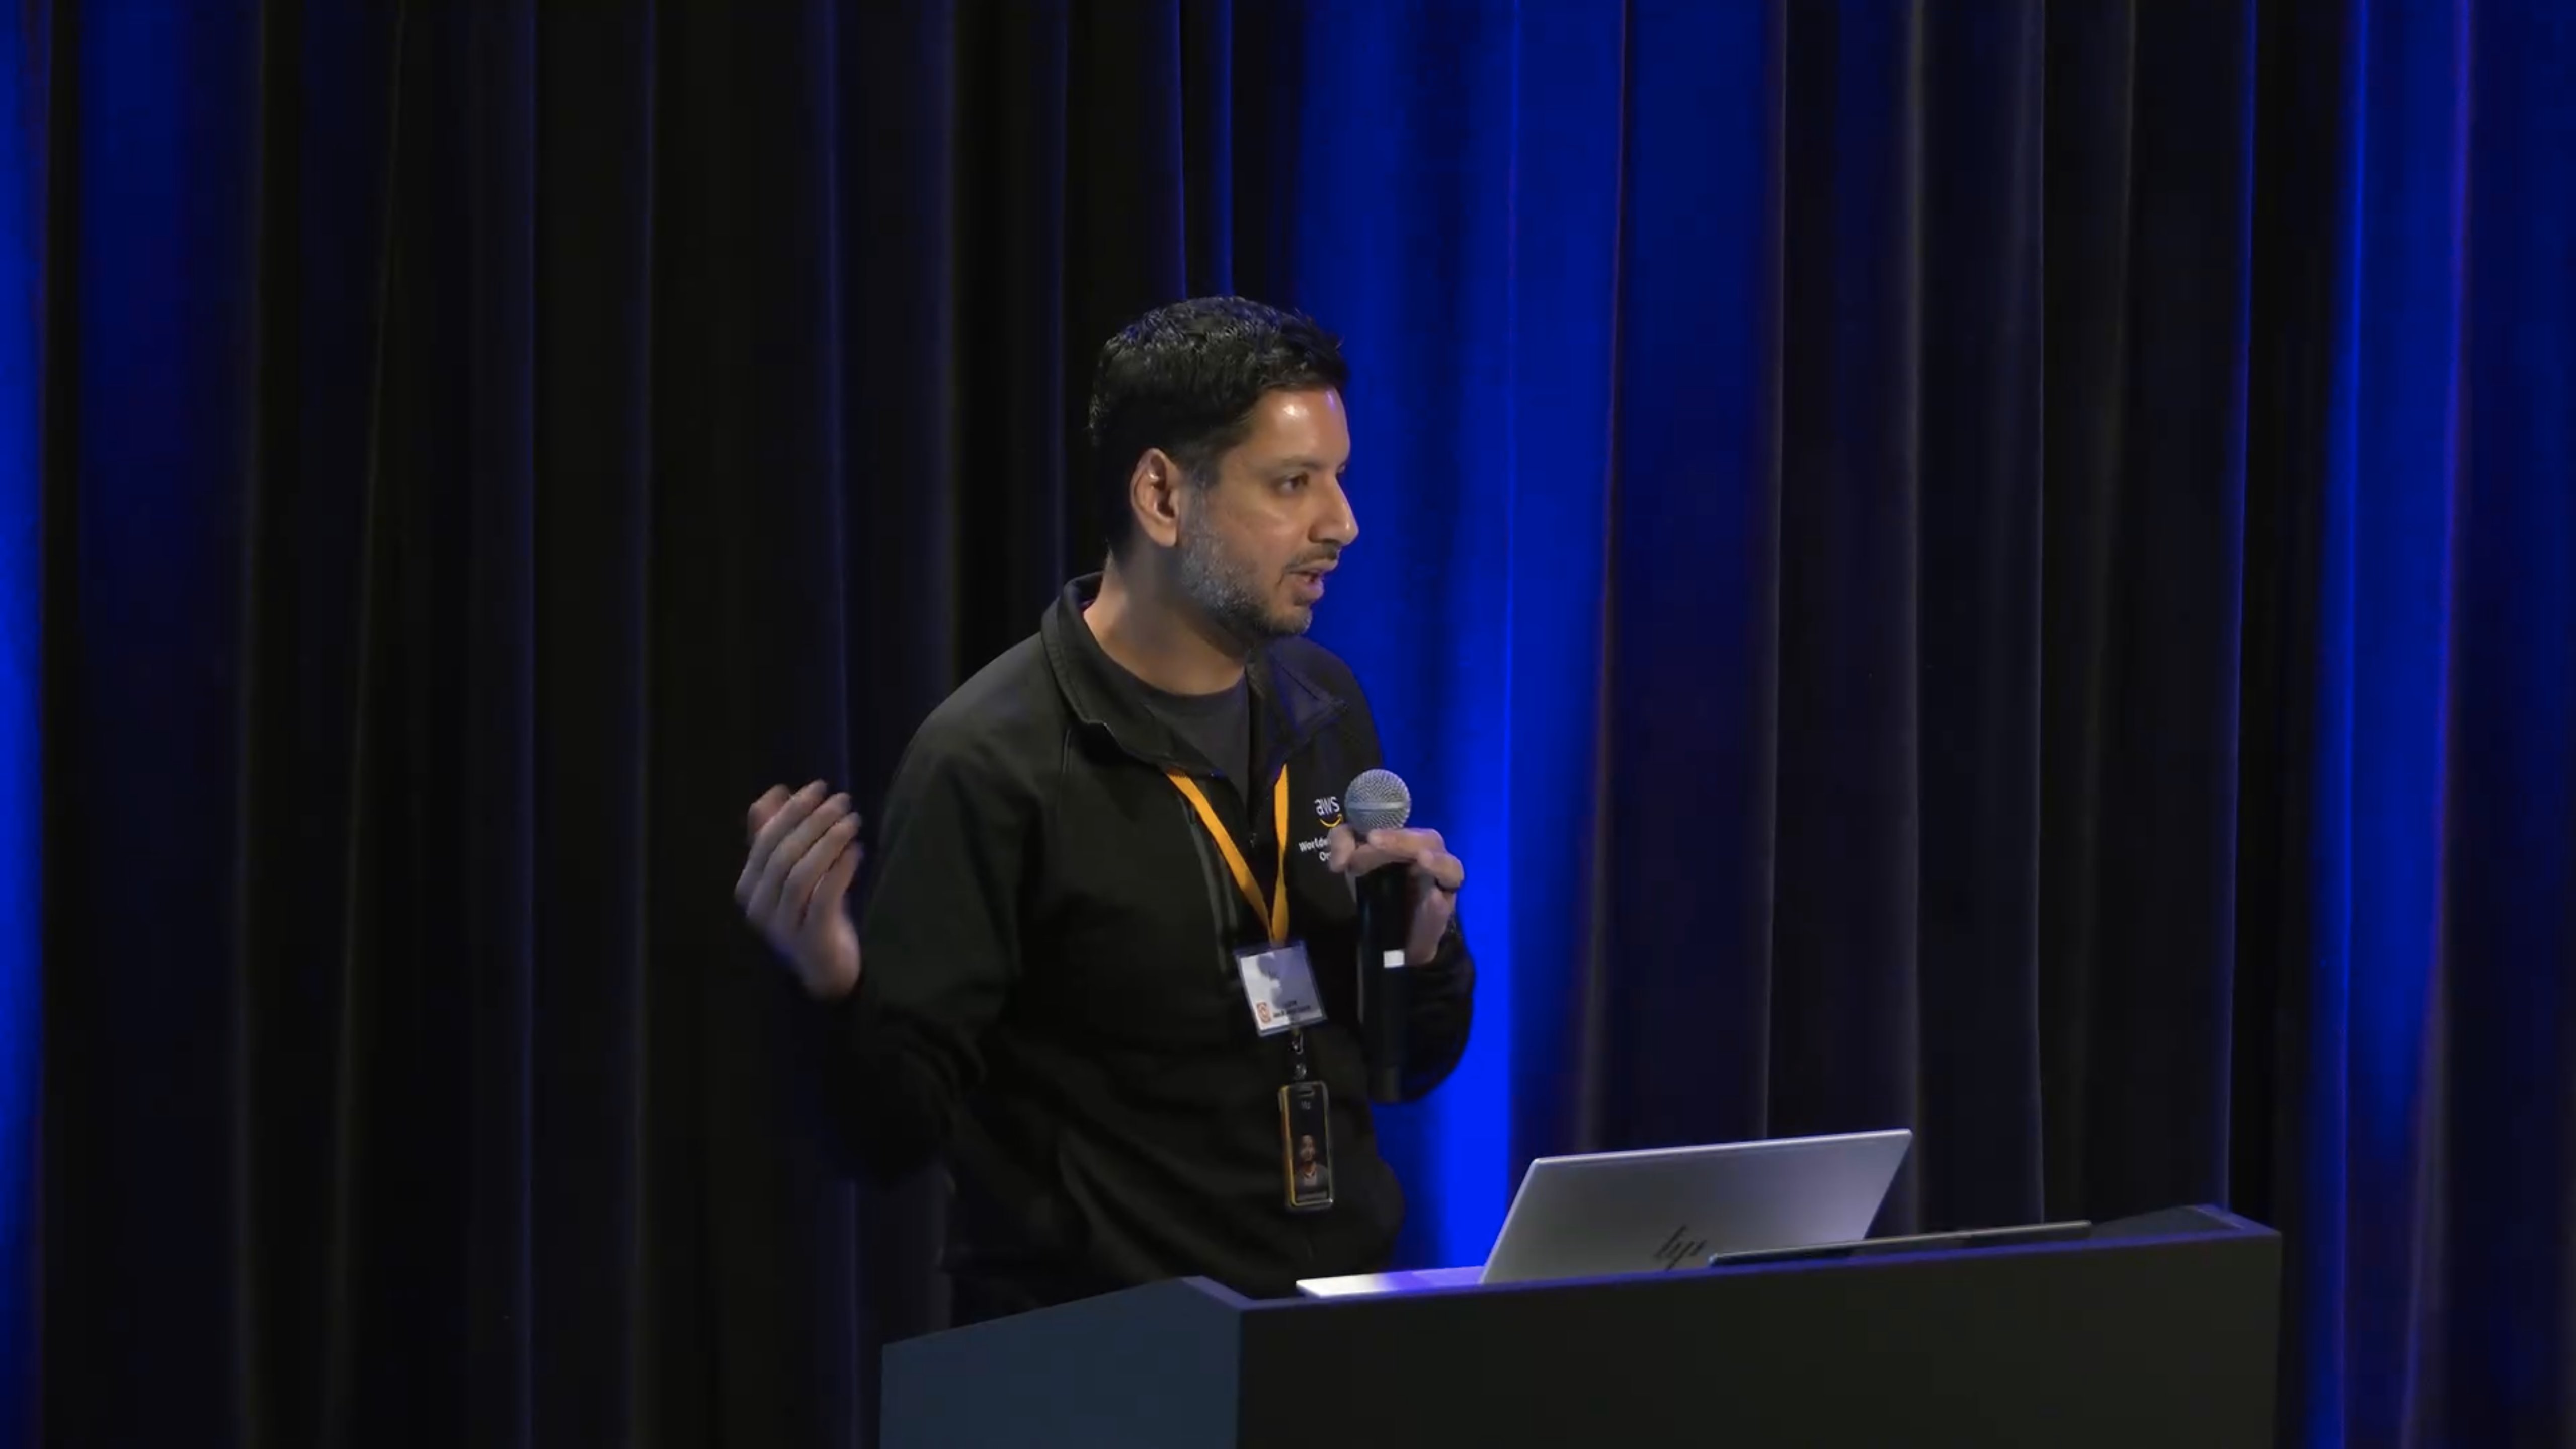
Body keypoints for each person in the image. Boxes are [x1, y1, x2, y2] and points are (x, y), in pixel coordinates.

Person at [734, 295, 1475, 1326]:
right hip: (1108, 1358)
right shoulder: (994, 759)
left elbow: (1401, 1070)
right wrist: (833, 985)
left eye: (1338, 478)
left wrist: (1417, 952)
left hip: (1328, 1330)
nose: (1341, 524)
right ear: (1162, 496)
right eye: (1293, 483)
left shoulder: (1324, 707)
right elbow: (884, 1141)